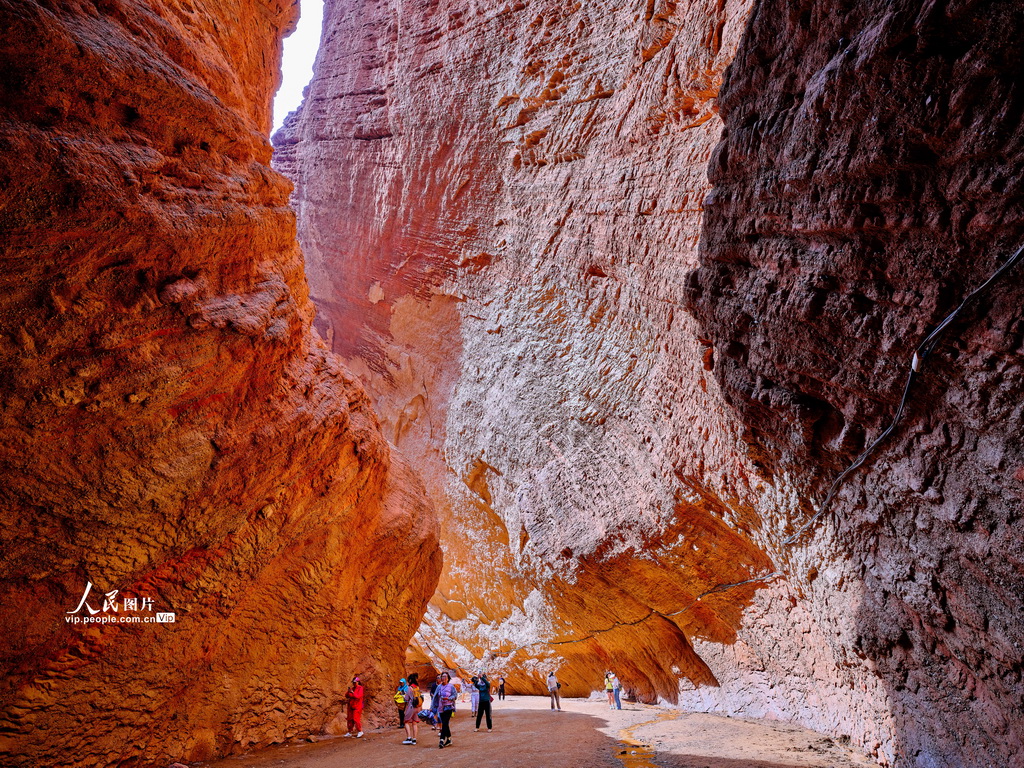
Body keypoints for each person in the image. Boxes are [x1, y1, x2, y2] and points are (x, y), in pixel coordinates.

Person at [435, 671, 458, 749]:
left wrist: (448, 698)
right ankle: (449, 739)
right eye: (442, 677)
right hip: (441, 707)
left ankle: (441, 740)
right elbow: (435, 697)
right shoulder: (439, 687)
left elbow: (455, 695)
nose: (443, 678)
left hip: (448, 707)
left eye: (445, 677)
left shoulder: (451, 687)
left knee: (444, 723)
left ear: (448, 678)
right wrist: (432, 707)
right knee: (445, 723)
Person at [402, 673, 422, 745]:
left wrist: (404, 696)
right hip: (417, 707)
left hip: (411, 706)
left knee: (406, 721)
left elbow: (406, 698)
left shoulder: (409, 688)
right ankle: (414, 739)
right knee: (414, 722)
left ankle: (409, 738)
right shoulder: (417, 687)